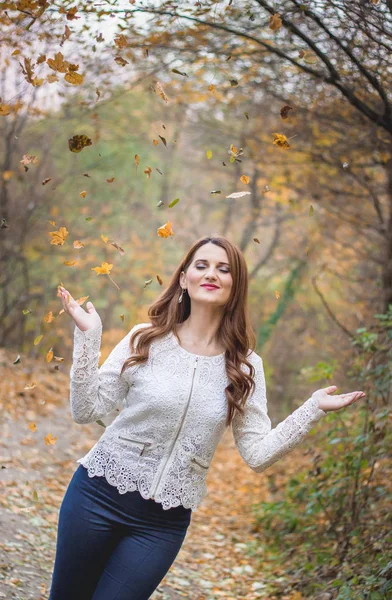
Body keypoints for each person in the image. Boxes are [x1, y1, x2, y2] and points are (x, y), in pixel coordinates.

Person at [48, 235, 365, 600]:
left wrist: (312, 410)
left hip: (160, 524)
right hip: (96, 497)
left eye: (223, 268)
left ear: (235, 284)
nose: (211, 273)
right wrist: (89, 339)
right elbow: (86, 410)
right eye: (202, 265)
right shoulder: (144, 340)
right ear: (184, 278)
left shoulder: (245, 367)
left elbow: (258, 454)